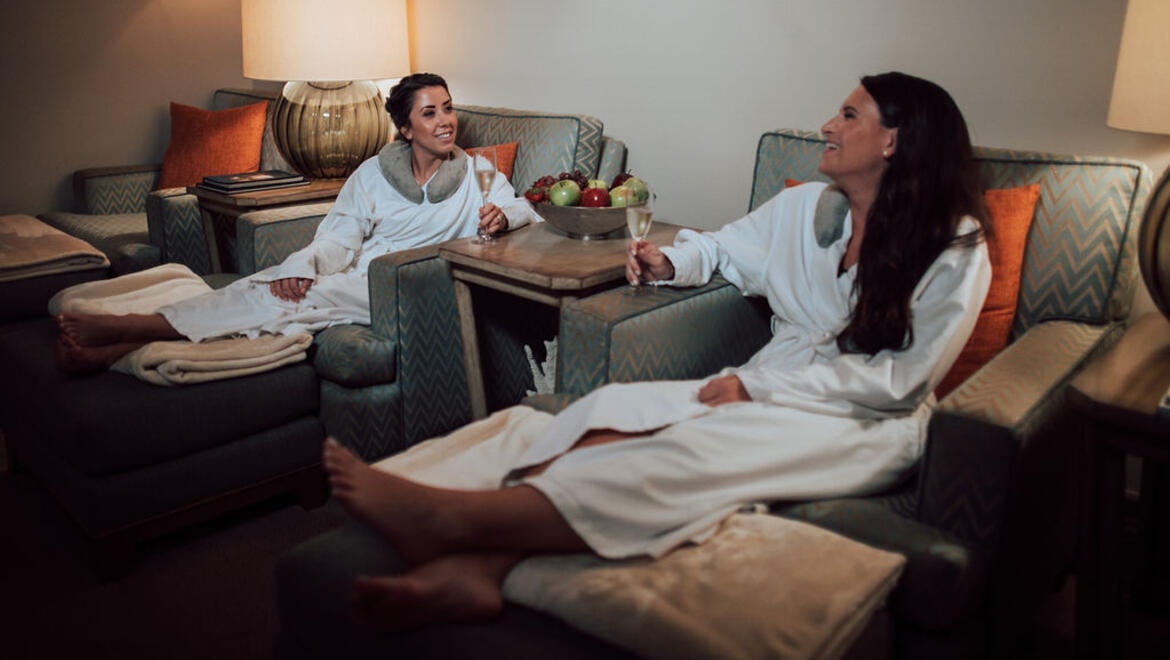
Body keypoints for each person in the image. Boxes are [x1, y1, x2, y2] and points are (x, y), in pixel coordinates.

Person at [321, 71, 993, 629]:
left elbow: (900, 382)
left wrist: (756, 388)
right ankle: (480, 571)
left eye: (848, 115)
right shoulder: (808, 211)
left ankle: (453, 522)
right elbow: (724, 247)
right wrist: (670, 262)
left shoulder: (953, 246)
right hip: (769, 380)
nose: (827, 126)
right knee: (612, 409)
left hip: (865, 422)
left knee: (687, 452)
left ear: (893, 140)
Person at [55, 72, 538, 373]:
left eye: (448, 108)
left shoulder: (478, 172)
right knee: (272, 288)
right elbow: (338, 236)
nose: (446, 120)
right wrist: (303, 265)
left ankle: (130, 328)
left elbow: (524, 210)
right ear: (406, 129)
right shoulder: (373, 174)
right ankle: (115, 348)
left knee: (287, 298)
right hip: (356, 275)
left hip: (407, 284)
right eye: (429, 113)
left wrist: (503, 215)